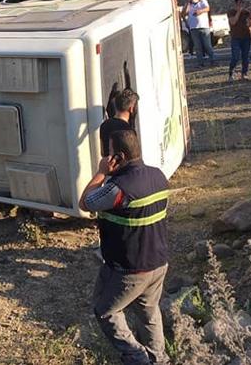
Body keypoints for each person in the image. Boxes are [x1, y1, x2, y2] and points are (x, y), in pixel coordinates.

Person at [80, 130, 169, 365]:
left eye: (107, 153)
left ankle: (138, 357)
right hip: (158, 262)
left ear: (117, 157)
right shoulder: (159, 176)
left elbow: (85, 202)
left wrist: (101, 172)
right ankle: (159, 359)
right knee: (149, 312)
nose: (104, 156)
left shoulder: (118, 189)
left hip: (130, 268)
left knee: (106, 311)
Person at [100, 88, 139, 156]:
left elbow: (103, 152)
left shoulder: (104, 125)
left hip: (107, 165)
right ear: (131, 108)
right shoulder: (129, 131)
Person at [182, 0, 215, 66]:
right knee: (197, 47)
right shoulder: (189, 4)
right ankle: (200, 63)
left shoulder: (202, 1)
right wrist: (188, 4)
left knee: (207, 45)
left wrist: (200, 11)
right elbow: (183, 13)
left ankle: (213, 61)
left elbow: (207, 8)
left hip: (204, 26)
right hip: (193, 28)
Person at [227, 0, 251, 80]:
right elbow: (233, 22)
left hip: (246, 37)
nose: (241, 4)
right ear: (236, 3)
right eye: (239, 2)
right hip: (236, 37)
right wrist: (238, 12)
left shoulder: (246, 12)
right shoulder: (231, 12)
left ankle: (244, 73)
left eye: (243, 2)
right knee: (235, 56)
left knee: (245, 56)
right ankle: (231, 72)